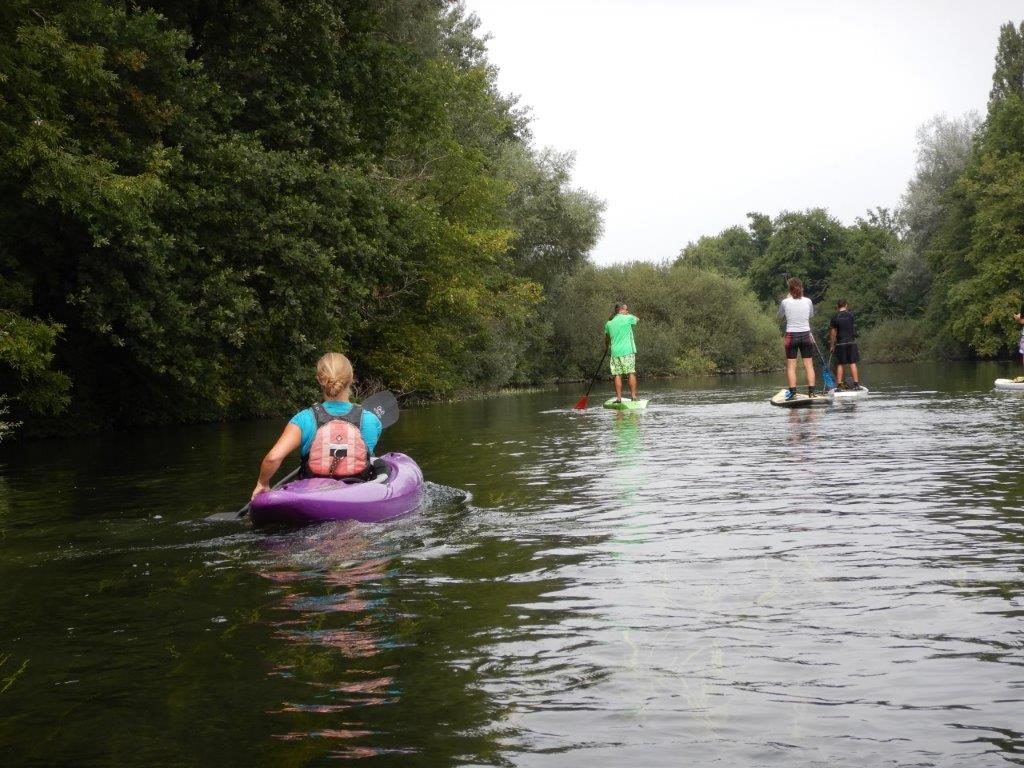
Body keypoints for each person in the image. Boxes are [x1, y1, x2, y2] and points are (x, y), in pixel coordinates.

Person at [251, 352, 383, 500]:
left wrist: (262, 483)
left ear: (319, 380)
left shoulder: (304, 419)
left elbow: (273, 458)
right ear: (352, 379)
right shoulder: (371, 421)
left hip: (312, 497)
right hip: (356, 498)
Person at [778, 277, 816, 400]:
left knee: (791, 366)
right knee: (809, 365)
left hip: (791, 336)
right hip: (806, 335)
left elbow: (780, 316)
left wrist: (788, 299)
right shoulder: (808, 301)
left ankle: (793, 393)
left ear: (790, 290)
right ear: (801, 289)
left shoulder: (785, 302)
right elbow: (810, 315)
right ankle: (811, 392)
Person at [604, 302, 639, 402]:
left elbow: (607, 339)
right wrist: (628, 315)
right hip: (627, 351)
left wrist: (606, 347)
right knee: (631, 372)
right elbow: (637, 319)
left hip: (615, 352)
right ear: (622, 310)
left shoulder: (609, 323)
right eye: (626, 309)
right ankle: (633, 397)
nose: (627, 311)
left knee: (617, 374)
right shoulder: (628, 318)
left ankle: (618, 398)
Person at [828, 299, 864, 390]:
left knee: (840, 364)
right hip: (851, 342)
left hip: (840, 344)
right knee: (852, 363)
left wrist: (832, 345)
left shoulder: (835, 317)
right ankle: (856, 384)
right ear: (846, 305)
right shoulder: (851, 315)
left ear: (837, 306)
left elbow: (833, 333)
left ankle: (839, 385)